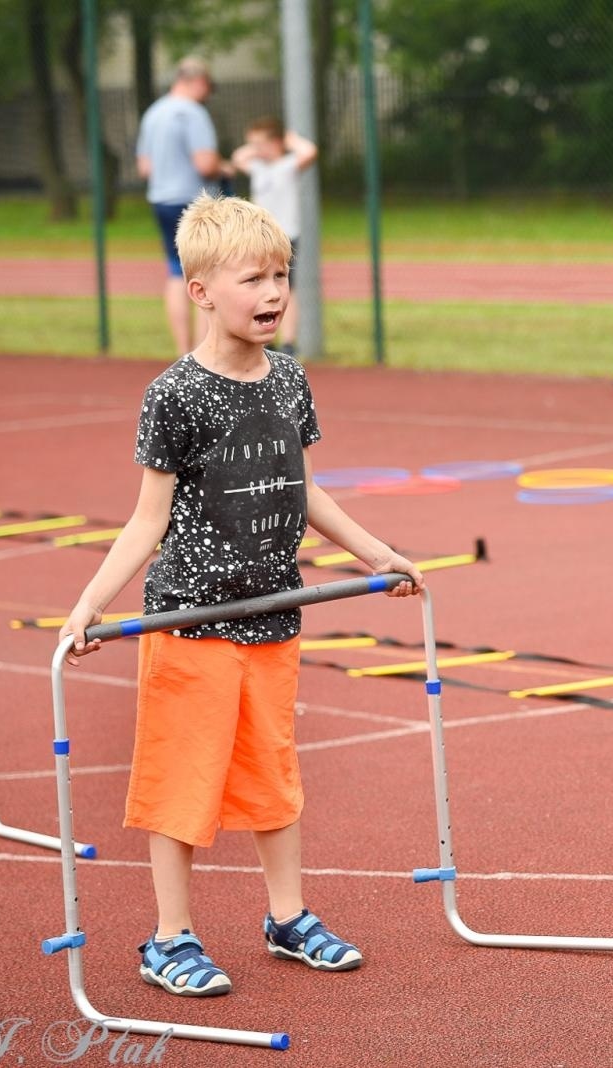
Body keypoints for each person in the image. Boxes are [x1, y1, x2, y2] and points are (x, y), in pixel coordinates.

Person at [59, 193, 425, 997]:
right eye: (253, 278)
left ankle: (287, 917)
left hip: (273, 614)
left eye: (282, 276)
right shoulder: (174, 395)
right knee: (182, 782)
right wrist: (87, 605)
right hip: (192, 624)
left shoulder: (289, 380)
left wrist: (378, 553)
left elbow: (308, 491)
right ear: (200, 292)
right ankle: (170, 937)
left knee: (273, 776)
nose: (272, 293)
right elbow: (147, 519)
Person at [136, 57, 231, 356]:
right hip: (194, 203)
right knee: (209, 276)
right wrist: (224, 168)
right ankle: (205, 353)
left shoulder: (153, 112)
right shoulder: (193, 113)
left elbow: (144, 167)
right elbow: (205, 163)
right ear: (199, 81)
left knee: (177, 273)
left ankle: (182, 352)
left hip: (161, 199)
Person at [232, 119, 319, 357]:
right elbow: (238, 157)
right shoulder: (259, 167)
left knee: (286, 288)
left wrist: (291, 140)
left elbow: (309, 152)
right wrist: (255, 147)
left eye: (262, 144)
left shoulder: (287, 165)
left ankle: (288, 340)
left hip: (285, 236)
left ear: (277, 143)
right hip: (260, 236)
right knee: (258, 286)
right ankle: (265, 336)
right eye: (254, 145)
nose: (257, 150)